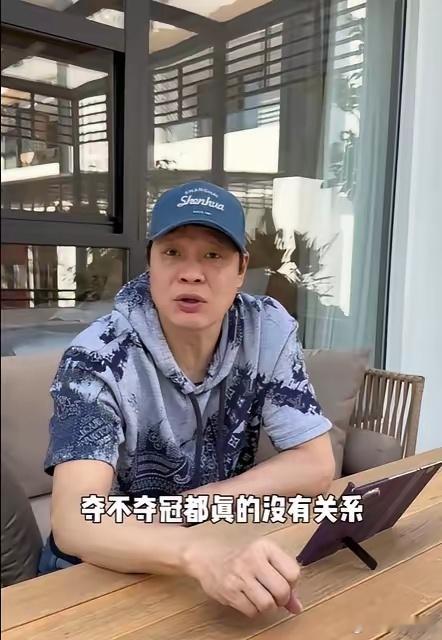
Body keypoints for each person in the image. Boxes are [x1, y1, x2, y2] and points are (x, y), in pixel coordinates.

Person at [38, 180, 335, 618]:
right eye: (173, 252)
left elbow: (316, 463)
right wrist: (198, 551)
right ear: (151, 263)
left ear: (241, 268)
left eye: (213, 255)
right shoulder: (98, 358)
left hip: (209, 554)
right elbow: (75, 520)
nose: (191, 273)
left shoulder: (266, 331)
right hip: (98, 572)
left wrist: (204, 503)